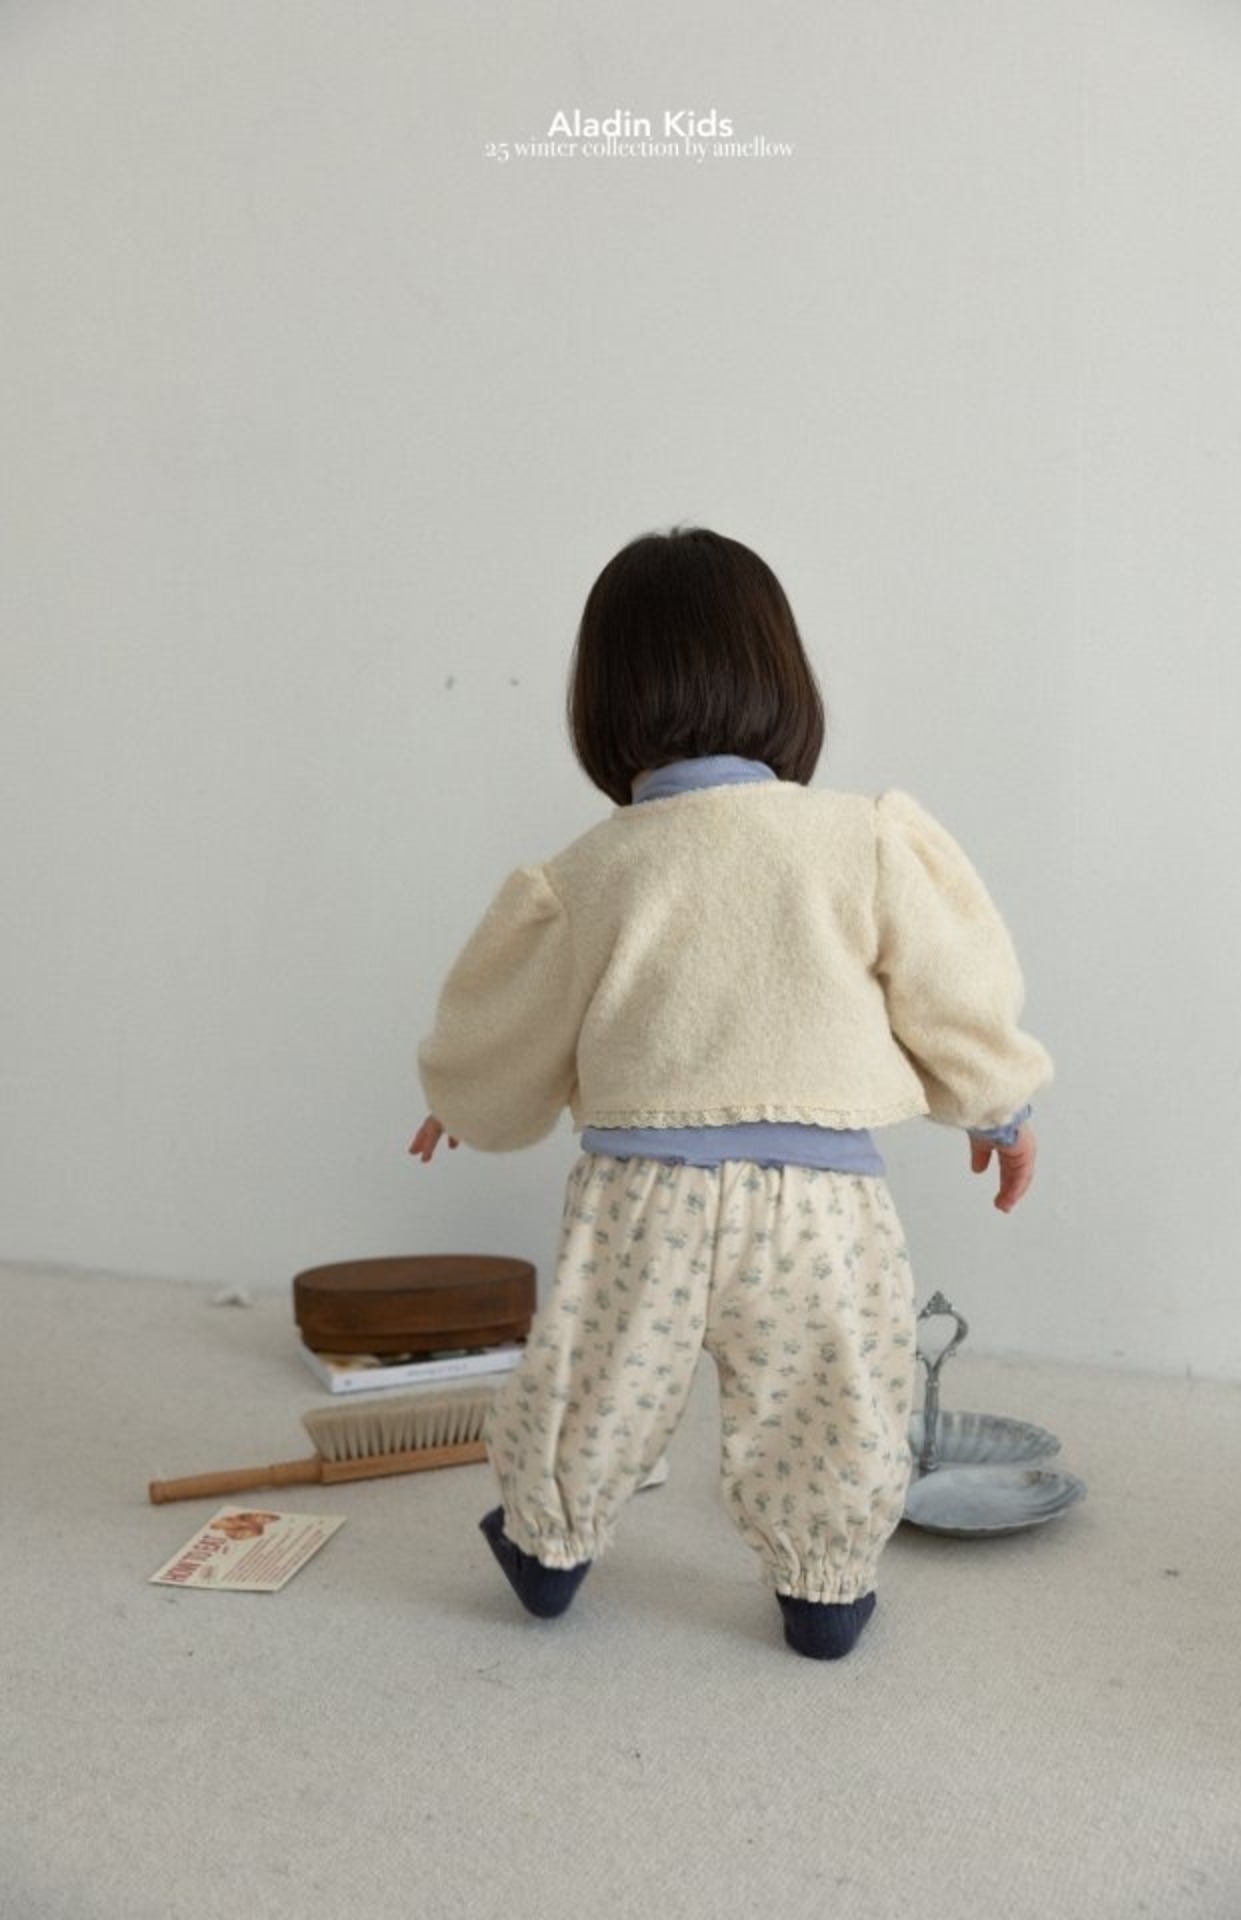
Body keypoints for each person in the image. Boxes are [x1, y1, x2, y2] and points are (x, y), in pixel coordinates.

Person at [409, 525, 1051, 1661]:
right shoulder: (860, 840)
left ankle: (549, 1550)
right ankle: (824, 1592)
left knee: (596, 1381)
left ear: (601, 705)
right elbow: (951, 992)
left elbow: (512, 1031)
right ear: (781, 680)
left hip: (638, 1195)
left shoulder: (590, 871)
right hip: (820, 1202)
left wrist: (461, 1102)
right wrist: (995, 1104)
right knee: (829, 1395)